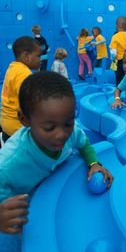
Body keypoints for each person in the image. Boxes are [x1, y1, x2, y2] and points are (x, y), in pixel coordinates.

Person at [0, 71, 113, 202]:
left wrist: (93, 163)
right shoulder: (9, 164)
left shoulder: (72, 132)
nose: (61, 134)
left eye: (68, 123)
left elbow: (84, 143)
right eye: (49, 128)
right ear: (24, 119)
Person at [0, 36, 41, 143]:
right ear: (26, 56)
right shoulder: (24, 74)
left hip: (6, 125)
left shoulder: (13, 67)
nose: (40, 60)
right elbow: (29, 104)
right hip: (18, 130)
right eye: (38, 56)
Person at [109, 16, 126, 85]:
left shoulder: (115, 36)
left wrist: (113, 58)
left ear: (116, 26)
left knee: (119, 77)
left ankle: (119, 92)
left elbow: (113, 52)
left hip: (120, 61)